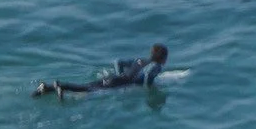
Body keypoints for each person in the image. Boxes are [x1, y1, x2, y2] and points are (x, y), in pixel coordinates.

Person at [34, 43, 167, 98]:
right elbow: (149, 73)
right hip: (119, 83)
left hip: (115, 78)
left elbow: (118, 61)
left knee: (86, 87)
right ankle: (60, 85)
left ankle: (48, 87)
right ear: (163, 58)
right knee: (87, 90)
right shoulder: (157, 66)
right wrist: (147, 87)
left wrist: (119, 74)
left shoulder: (140, 60)